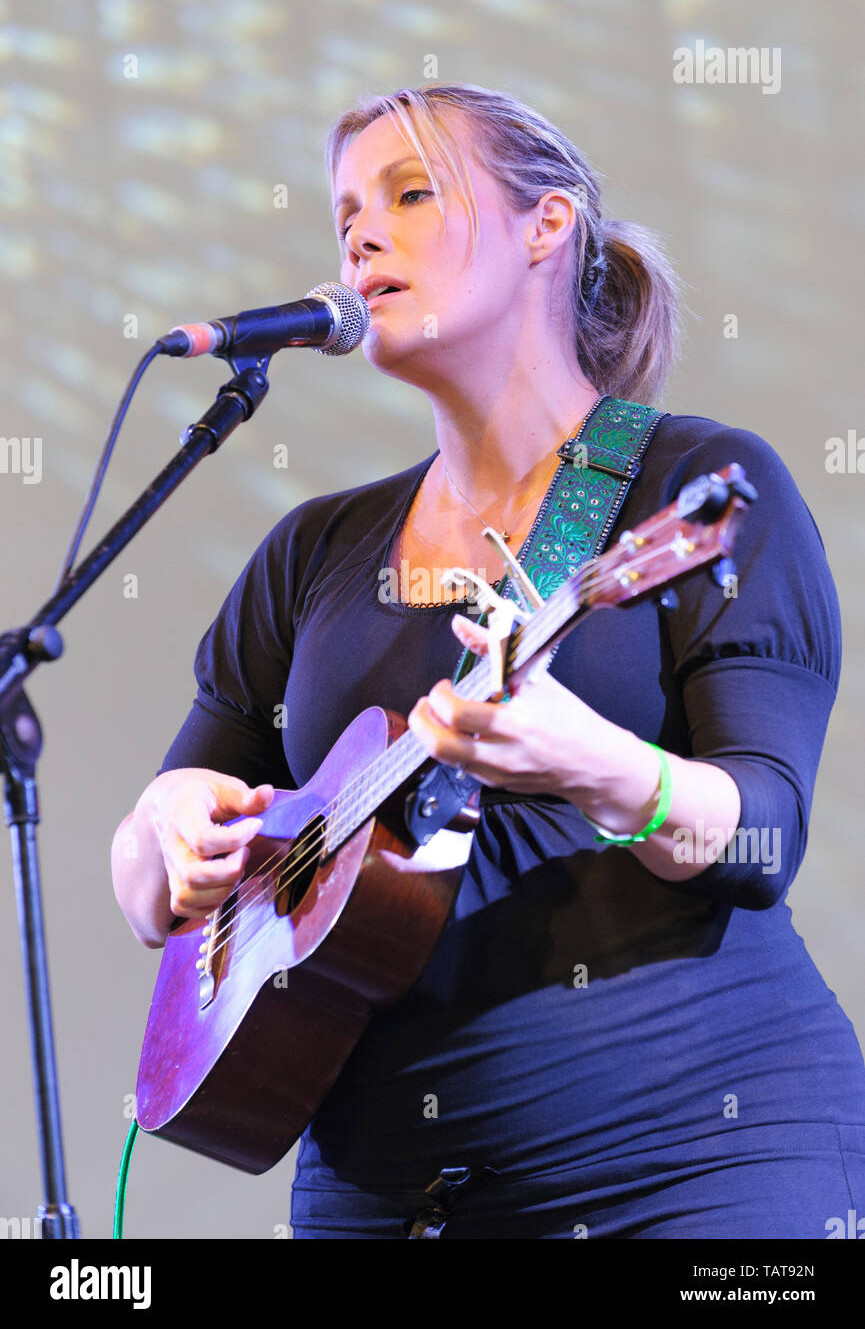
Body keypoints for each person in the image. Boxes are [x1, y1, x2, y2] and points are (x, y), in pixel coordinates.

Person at [111, 82, 865, 1239]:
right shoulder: (313, 548)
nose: (361, 235)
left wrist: (600, 766)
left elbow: (759, 834)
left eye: (411, 194)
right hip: (385, 1198)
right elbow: (150, 882)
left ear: (545, 228)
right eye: (346, 213)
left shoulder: (685, 485)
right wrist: (161, 827)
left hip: (695, 1172)